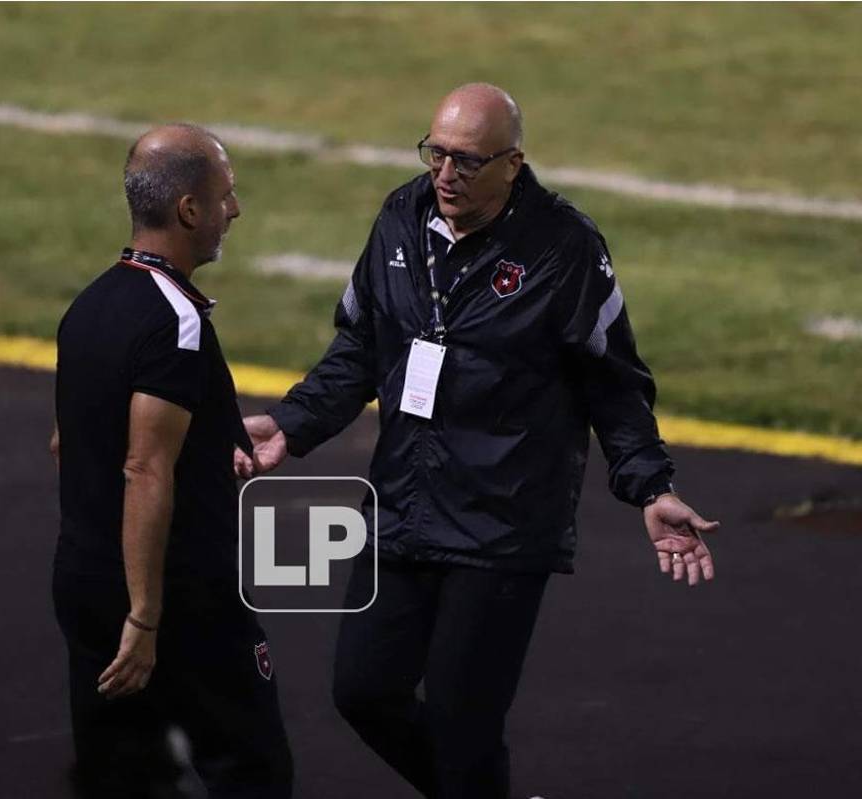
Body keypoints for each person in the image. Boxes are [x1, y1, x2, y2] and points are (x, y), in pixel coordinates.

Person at [244, 84, 720, 798]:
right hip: (402, 504)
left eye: (467, 161)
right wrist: (293, 421)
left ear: (512, 164)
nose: (445, 175)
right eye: (435, 153)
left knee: (464, 724)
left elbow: (614, 381)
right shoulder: (400, 216)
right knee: (362, 690)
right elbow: (361, 347)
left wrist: (651, 484)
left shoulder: (563, 246)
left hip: (502, 520)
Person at [52, 124, 292, 799]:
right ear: (189, 209)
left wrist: (207, 455)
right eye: (225, 195)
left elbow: (68, 442)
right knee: (251, 770)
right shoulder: (175, 322)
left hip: (84, 577)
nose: (234, 210)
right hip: (177, 595)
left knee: (121, 775)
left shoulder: (89, 306)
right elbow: (145, 469)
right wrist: (145, 615)